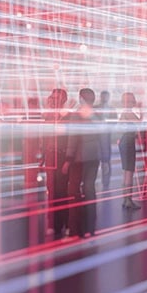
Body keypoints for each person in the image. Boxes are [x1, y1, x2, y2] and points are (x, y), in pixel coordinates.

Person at [62, 88, 104, 237]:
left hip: (79, 158)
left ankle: (75, 229)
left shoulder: (77, 115)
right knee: (90, 190)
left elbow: (73, 138)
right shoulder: (97, 115)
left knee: (74, 191)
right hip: (94, 156)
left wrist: (68, 159)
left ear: (81, 98)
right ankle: (90, 228)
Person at [42, 88, 70, 239]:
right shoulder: (48, 116)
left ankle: (64, 223)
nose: (54, 101)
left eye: (57, 98)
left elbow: (69, 139)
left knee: (62, 190)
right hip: (51, 157)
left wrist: (69, 159)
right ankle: (53, 224)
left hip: (62, 156)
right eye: (52, 98)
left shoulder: (67, 116)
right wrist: (43, 156)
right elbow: (46, 138)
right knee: (51, 191)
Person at [118, 92, 141, 210]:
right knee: (129, 171)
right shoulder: (129, 113)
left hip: (125, 142)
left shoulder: (124, 113)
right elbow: (140, 123)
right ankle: (128, 200)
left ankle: (126, 199)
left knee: (127, 171)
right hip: (128, 142)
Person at [93, 90, 115, 190]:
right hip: (97, 136)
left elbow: (115, 122)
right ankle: (98, 180)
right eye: (103, 96)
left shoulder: (111, 109)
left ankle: (106, 181)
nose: (104, 98)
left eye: (106, 96)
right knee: (98, 158)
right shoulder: (95, 108)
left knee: (106, 159)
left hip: (106, 136)